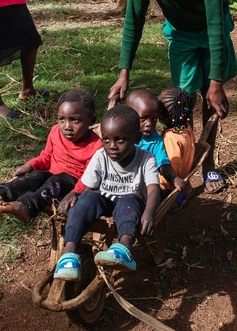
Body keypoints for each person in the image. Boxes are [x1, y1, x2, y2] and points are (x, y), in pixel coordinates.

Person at [109, 0, 237, 193]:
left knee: (211, 100)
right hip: (181, 35)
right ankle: (183, 160)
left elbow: (216, 24)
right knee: (183, 100)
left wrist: (216, 82)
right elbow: (134, 18)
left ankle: (208, 164)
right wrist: (124, 72)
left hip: (211, 31)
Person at [53, 105, 161, 280]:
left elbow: (153, 189)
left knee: (130, 199)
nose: (112, 146)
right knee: (86, 198)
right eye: (106, 139)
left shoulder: (146, 158)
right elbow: (88, 186)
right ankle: (69, 254)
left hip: (130, 206)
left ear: (137, 138)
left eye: (120, 140)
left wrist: (149, 213)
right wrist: (76, 194)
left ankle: (123, 250)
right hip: (105, 201)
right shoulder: (100, 156)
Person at [0, 89, 102, 223]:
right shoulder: (56, 131)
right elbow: (46, 156)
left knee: (57, 181)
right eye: (61, 119)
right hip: (51, 175)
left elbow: (90, 179)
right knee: (36, 176)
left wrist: (75, 193)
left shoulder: (97, 146)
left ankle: (26, 207)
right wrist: (31, 164)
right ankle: (0, 194)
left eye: (75, 120)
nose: (67, 126)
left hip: (72, 184)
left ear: (91, 120)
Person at [125, 88, 187, 195]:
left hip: (139, 187)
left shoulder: (154, 140)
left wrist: (173, 178)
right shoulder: (120, 133)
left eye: (154, 119)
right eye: (143, 118)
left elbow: (162, 164)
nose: (149, 123)